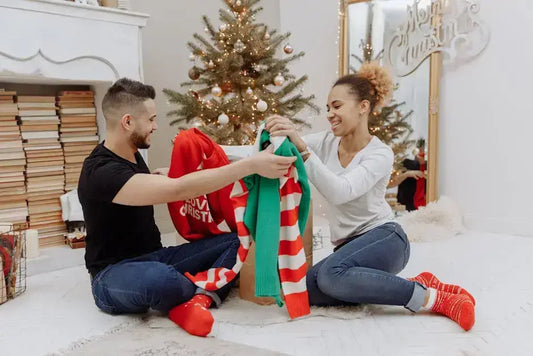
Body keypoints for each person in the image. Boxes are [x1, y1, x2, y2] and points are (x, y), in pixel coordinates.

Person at [78, 78, 296, 337]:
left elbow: (152, 184)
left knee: (238, 239)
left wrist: (167, 176)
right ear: (127, 122)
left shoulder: (130, 155)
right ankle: (203, 289)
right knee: (161, 279)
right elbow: (178, 189)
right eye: (151, 119)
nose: (155, 126)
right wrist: (251, 165)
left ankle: (197, 300)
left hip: (157, 257)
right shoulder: (100, 172)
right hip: (111, 275)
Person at [265, 62, 475, 331]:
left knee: (330, 276)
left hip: (386, 239)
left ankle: (434, 299)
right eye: (328, 107)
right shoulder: (325, 142)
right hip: (348, 249)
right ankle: (419, 282)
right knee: (301, 291)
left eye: (337, 106)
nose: (330, 114)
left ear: (363, 107)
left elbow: (341, 192)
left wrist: (304, 151)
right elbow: (284, 145)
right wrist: (273, 133)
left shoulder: (380, 153)